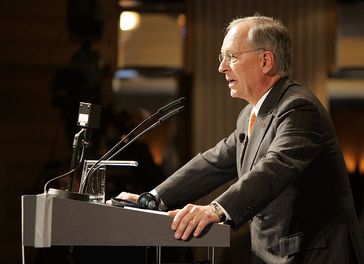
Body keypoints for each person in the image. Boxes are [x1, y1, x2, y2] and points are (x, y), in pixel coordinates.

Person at [115, 15, 364, 263]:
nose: (222, 67)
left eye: (232, 56)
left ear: (266, 60)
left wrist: (215, 210)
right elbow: (214, 162)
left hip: (317, 253)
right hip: (280, 253)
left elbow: (275, 167)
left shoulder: (298, 107)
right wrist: (153, 198)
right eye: (222, 57)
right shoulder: (250, 114)